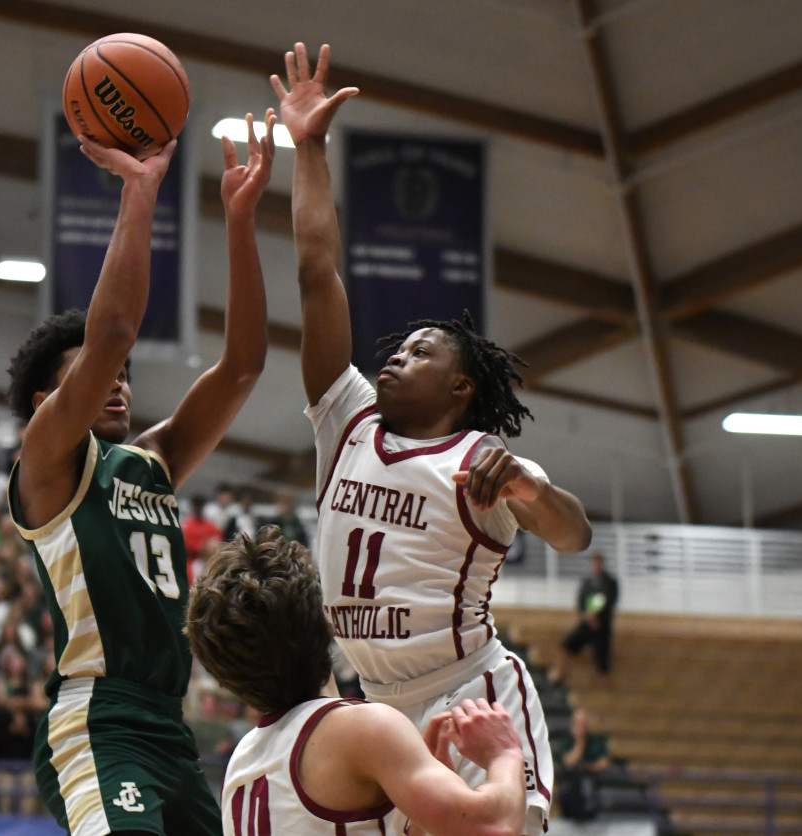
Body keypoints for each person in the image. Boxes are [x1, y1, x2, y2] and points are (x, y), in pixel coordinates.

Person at [272, 43, 593, 836]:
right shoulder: (345, 417)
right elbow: (317, 271)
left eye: (422, 351)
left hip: (469, 692)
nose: (396, 355)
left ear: (461, 389)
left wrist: (528, 488)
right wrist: (307, 148)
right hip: (371, 702)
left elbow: (574, 534)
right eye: (399, 346)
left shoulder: (483, 462)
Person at [5, 110, 274, 836]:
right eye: (96, 377)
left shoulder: (151, 461)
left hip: (168, 727)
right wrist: (141, 188)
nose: (118, 382)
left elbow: (245, 365)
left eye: (124, 377)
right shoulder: (49, 461)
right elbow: (115, 329)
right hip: (98, 721)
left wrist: (240, 218)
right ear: (46, 402)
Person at [187, 528, 528, 836]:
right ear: (325, 618)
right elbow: (493, 826)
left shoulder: (242, 765)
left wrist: (421, 822)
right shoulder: (361, 729)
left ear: (223, 674)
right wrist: (505, 755)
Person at [551, 553, 619, 686]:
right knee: (566, 646)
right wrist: (587, 616)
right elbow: (581, 601)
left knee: (602, 660)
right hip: (587, 623)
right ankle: (559, 676)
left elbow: (609, 601)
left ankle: (602, 688)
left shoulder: (610, 583)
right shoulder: (587, 583)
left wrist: (596, 616)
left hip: (601, 626)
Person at [552, 707, 610, 821]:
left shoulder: (596, 741)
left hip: (591, 780)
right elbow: (569, 762)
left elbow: (603, 764)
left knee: (587, 783)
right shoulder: (567, 740)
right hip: (572, 783)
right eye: (578, 724)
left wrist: (585, 767)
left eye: (583, 723)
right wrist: (580, 741)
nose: (581, 727)